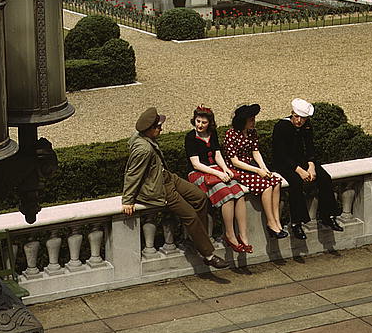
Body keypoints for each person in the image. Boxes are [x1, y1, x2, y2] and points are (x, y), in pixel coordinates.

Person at [122, 107, 230, 269]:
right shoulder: (143, 149)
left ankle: (197, 238)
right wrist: (128, 200)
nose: (161, 128)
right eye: (158, 126)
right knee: (190, 216)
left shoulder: (144, 137)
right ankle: (207, 254)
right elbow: (132, 174)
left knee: (200, 197)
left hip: (168, 177)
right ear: (149, 129)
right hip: (160, 188)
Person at [271, 98, 344, 240]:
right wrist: (299, 170)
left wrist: (311, 165)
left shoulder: (307, 126)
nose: (299, 121)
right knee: (295, 183)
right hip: (283, 163)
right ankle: (296, 223)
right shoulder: (281, 127)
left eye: (302, 118)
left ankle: (327, 216)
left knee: (325, 178)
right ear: (292, 113)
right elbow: (280, 154)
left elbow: (310, 147)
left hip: (301, 161)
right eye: (296, 117)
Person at [185, 106, 252, 254]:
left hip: (215, 169)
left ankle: (243, 235)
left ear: (210, 123)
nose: (200, 125)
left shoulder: (212, 133)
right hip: (199, 173)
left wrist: (225, 169)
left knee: (238, 192)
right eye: (198, 121)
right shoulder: (190, 137)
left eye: (203, 122)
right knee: (226, 195)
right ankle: (229, 234)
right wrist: (219, 174)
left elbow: (217, 155)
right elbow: (196, 164)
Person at [223, 103, 287, 239]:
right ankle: (270, 222)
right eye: (251, 120)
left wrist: (264, 168)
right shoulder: (231, 134)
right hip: (238, 169)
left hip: (251, 165)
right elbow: (234, 161)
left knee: (276, 182)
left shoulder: (252, 132)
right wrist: (258, 171)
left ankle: (276, 220)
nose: (253, 122)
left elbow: (255, 152)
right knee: (267, 187)